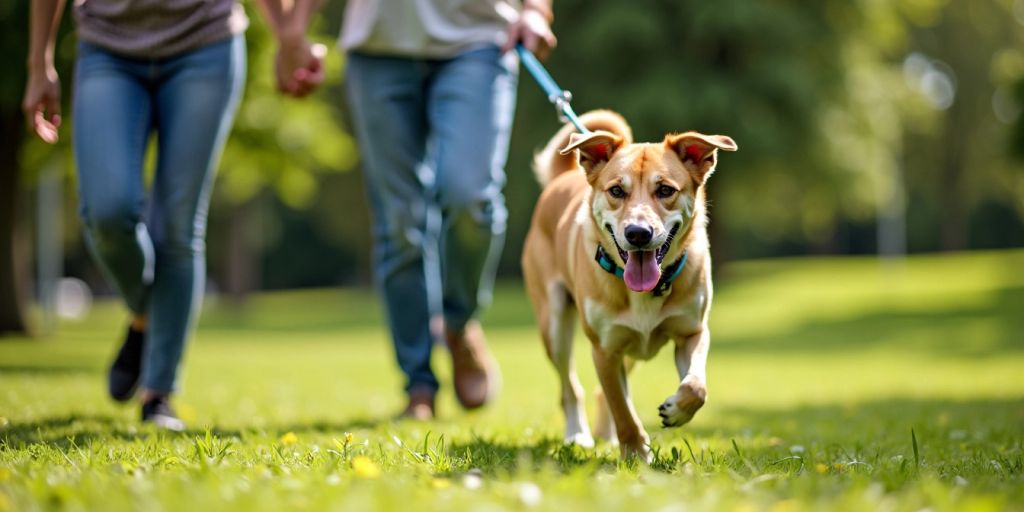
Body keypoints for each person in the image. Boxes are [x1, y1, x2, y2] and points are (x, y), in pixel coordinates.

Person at [22, 0, 324, 429]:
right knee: (107, 212)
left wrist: (287, 36)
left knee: (180, 227)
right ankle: (145, 315)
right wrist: (40, 62)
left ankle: (159, 393)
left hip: (206, 45)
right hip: (108, 47)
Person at [293, 0, 556, 419]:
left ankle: (458, 323)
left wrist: (536, 11)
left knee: (471, 198)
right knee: (400, 222)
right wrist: (294, 32)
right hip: (378, 51)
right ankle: (418, 385)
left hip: (479, 40)